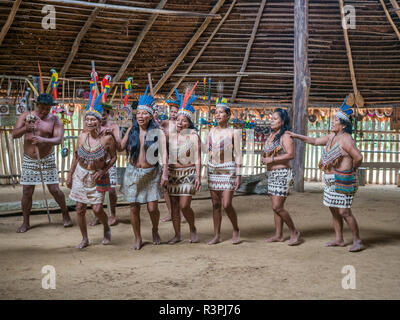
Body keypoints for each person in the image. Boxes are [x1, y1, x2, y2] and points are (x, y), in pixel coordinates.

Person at [289, 99, 363, 252]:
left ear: (343, 124)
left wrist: (352, 170)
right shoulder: (331, 137)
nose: (332, 122)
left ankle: (357, 240)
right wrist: (296, 136)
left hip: (343, 181)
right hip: (330, 182)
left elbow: (358, 157)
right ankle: (339, 239)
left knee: (344, 211)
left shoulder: (346, 139)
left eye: (335, 120)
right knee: (334, 210)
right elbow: (315, 141)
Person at [12, 93, 72, 233]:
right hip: (29, 159)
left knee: (55, 190)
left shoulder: (55, 119)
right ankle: (25, 223)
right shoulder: (25, 116)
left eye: (48, 108)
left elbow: (58, 139)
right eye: (42, 108)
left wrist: (43, 140)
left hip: (47, 158)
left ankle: (65, 213)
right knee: (27, 191)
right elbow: (14, 134)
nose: (45, 111)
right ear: (36, 105)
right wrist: (25, 129)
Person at [120, 86, 168, 250]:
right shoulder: (131, 130)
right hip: (132, 173)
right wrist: (109, 135)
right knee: (134, 207)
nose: (140, 116)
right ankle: (138, 237)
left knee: (152, 208)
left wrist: (165, 174)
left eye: (144, 113)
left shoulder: (158, 132)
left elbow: (165, 155)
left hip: (152, 173)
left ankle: (154, 230)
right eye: (139, 113)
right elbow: (120, 147)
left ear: (150, 116)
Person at [67, 90, 116, 249]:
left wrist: (103, 171)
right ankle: (84, 238)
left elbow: (114, 157)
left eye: (92, 119)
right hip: (81, 174)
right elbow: (76, 156)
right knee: (80, 208)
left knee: (96, 209)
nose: (89, 122)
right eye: (87, 119)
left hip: (98, 176)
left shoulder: (107, 138)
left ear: (99, 121)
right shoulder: (81, 136)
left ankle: (106, 227)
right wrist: (70, 175)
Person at [261, 108, 301, 246]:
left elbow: (290, 154)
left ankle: (294, 231)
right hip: (272, 175)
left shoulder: (286, 136)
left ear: (282, 121)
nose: (271, 121)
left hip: (282, 174)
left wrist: (271, 160)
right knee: (275, 207)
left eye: (275, 119)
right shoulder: (272, 136)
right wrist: (264, 158)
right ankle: (278, 235)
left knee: (277, 206)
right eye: (271, 118)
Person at [167, 86, 202, 244]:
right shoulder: (171, 136)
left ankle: (192, 228)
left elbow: (198, 158)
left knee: (184, 205)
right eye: (178, 119)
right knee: (174, 206)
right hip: (173, 174)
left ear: (188, 123)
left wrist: (198, 176)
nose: (180, 122)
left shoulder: (193, 136)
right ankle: (177, 234)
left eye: (184, 120)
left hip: (188, 173)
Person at [207, 97, 241, 245]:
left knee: (226, 204)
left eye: (221, 112)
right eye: (216, 112)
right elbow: (209, 150)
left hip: (228, 169)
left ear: (228, 115)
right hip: (213, 169)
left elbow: (239, 154)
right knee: (215, 204)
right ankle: (217, 235)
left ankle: (236, 229)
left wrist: (238, 175)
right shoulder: (211, 131)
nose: (218, 114)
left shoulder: (234, 132)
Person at [89, 103, 120, 226]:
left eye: (104, 114)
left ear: (108, 114)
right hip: (95, 163)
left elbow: (118, 144)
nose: (102, 117)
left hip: (109, 162)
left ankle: (112, 214)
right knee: (95, 190)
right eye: (100, 114)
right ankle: (97, 215)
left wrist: (111, 134)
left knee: (111, 190)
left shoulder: (114, 126)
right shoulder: (91, 127)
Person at [160, 96, 185, 223]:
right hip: (166, 158)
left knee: (178, 187)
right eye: (172, 112)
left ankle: (180, 213)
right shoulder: (164, 123)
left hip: (178, 159)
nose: (174, 114)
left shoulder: (181, 125)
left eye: (176, 112)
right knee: (166, 188)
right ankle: (170, 213)